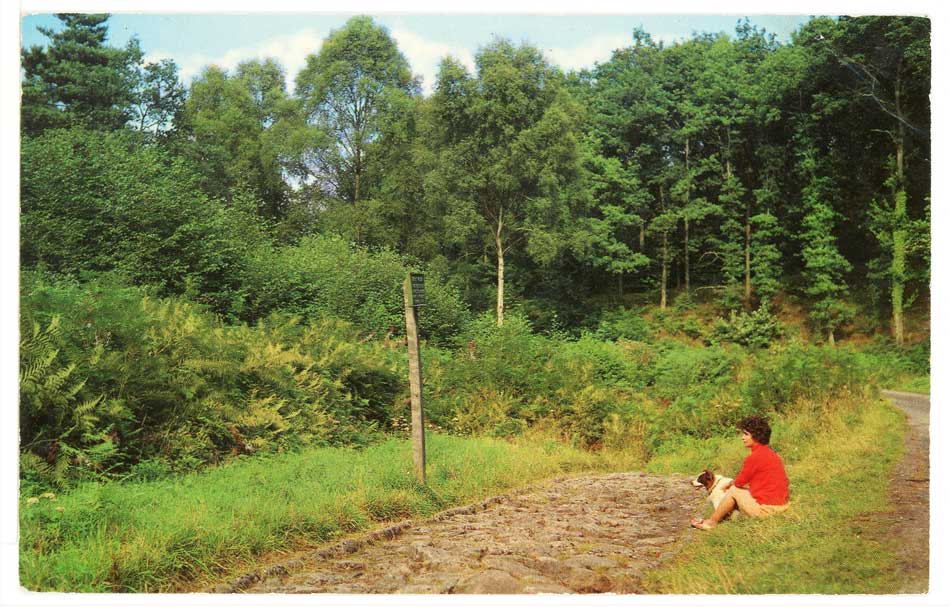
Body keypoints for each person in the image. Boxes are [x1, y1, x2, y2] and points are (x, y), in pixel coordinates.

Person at [690, 415, 789, 530]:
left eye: (746, 434)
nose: (742, 437)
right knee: (739, 489)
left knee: (734, 490)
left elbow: (738, 484)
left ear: (756, 436)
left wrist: (730, 484)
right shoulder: (771, 454)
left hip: (767, 510)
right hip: (781, 505)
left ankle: (712, 522)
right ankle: (726, 516)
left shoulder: (754, 458)